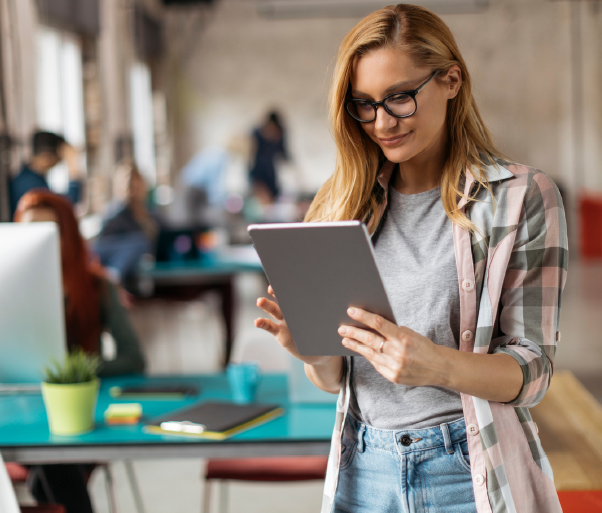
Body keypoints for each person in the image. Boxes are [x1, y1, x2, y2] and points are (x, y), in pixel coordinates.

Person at [255, 5, 567, 513]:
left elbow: (533, 372)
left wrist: (437, 365)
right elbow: (337, 379)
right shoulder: (340, 203)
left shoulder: (521, 197)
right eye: (364, 104)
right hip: (364, 469)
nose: (382, 122)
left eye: (400, 98)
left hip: (465, 472)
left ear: (451, 80)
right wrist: (312, 351)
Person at [15, 190, 146, 513]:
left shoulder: (97, 287)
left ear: (69, 236)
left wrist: (74, 373)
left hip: (85, 414)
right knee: (47, 463)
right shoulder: (12, 289)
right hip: (25, 411)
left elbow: (134, 358)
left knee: (51, 460)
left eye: (51, 233)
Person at [94, 162, 160, 292]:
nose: (132, 187)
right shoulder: (114, 215)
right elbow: (101, 248)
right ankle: (112, 281)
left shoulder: (150, 214)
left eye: (135, 182)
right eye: (127, 183)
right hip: (121, 267)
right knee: (140, 242)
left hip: (147, 268)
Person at [10, 131, 82, 219]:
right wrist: (72, 166)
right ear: (46, 157)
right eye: (59, 158)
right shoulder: (29, 184)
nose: (59, 162)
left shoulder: (32, 178)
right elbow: (65, 207)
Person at [249, 110, 288, 203]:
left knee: (274, 195)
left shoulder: (280, 133)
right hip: (258, 171)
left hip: (271, 172)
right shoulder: (257, 134)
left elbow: (284, 153)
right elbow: (250, 159)